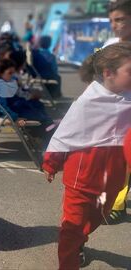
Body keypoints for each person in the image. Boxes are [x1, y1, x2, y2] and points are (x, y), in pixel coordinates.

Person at [42, 42, 131, 269]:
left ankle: (81, 238)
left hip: (112, 181)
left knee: (97, 218)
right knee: (72, 227)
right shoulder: (87, 101)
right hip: (81, 179)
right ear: (108, 73)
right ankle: (69, 259)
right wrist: (51, 163)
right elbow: (66, 134)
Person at [102, 0, 131, 224]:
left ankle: (118, 204)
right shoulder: (110, 45)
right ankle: (115, 202)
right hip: (112, 109)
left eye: (120, 19)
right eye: (112, 20)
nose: (115, 25)